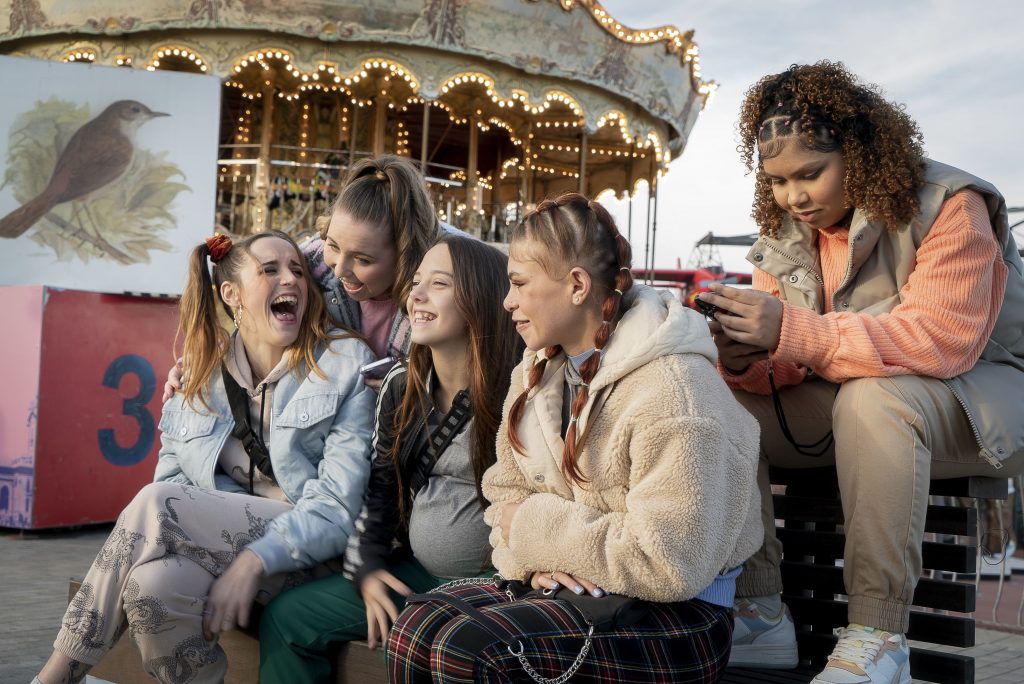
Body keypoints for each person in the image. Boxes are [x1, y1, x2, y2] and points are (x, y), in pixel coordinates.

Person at [696, 61, 1024, 684]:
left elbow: (939, 343)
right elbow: (796, 365)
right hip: (859, 398)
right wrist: (744, 358)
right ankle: (760, 612)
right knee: (716, 402)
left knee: (875, 401)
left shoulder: (953, 206)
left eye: (811, 173)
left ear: (862, 149)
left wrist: (786, 331)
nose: (794, 197)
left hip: (990, 396)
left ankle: (879, 637)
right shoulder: (784, 236)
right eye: (778, 181)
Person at [385, 193, 763, 683]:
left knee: (471, 649)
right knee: (417, 625)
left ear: (577, 285)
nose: (508, 302)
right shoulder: (539, 370)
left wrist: (544, 537)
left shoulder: (675, 391)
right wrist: (534, 562)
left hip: (679, 616)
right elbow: (505, 495)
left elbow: (670, 560)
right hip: (582, 590)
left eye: (519, 284)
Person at [34, 231, 377, 684]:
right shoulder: (196, 378)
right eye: (270, 269)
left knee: (156, 503)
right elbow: (176, 492)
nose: (290, 279)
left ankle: (55, 676)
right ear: (231, 294)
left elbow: (337, 509)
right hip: (222, 561)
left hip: (310, 559)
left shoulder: (345, 362)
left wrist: (254, 558)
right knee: (149, 588)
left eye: (297, 269)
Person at [256, 234, 522, 682]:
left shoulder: (515, 389)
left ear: (480, 298)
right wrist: (368, 567)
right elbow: (380, 488)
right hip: (415, 572)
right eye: (415, 282)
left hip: (495, 584)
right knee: (288, 616)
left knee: (419, 647)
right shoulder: (402, 386)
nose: (415, 294)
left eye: (438, 284)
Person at [163, 154, 445, 401]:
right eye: (333, 245)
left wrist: (414, 392)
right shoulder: (309, 264)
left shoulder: (444, 286)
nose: (340, 269)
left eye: (363, 259)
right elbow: (257, 310)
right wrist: (211, 362)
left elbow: (467, 378)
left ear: (405, 255)